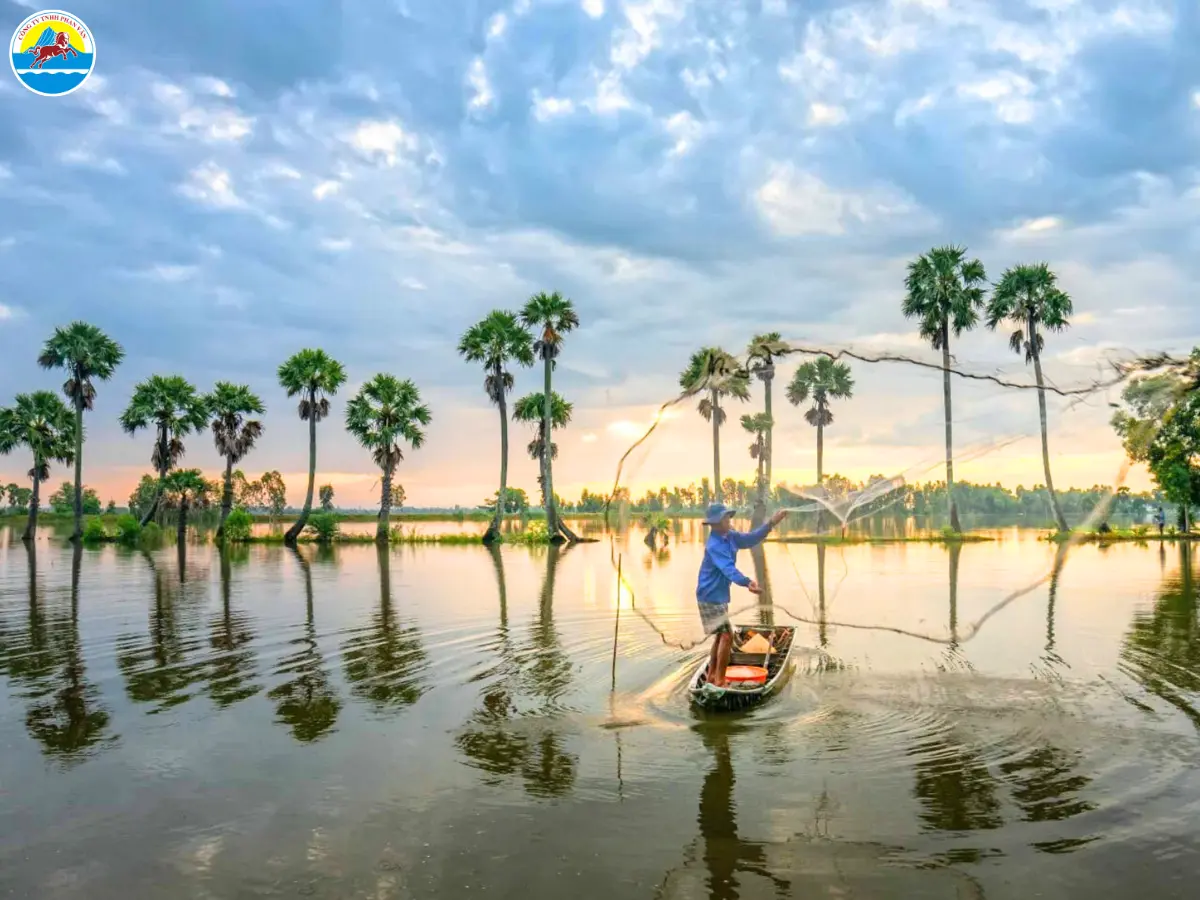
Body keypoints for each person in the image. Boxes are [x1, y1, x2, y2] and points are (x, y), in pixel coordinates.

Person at [696, 503, 788, 691]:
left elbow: (750, 539)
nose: (729, 520)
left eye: (728, 517)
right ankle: (719, 681)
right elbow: (728, 569)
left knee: (720, 636)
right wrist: (747, 582)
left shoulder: (730, 536)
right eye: (725, 518)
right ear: (715, 523)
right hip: (709, 595)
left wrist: (771, 523)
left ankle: (712, 676)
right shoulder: (715, 545)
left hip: (719, 595)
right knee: (727, 635)